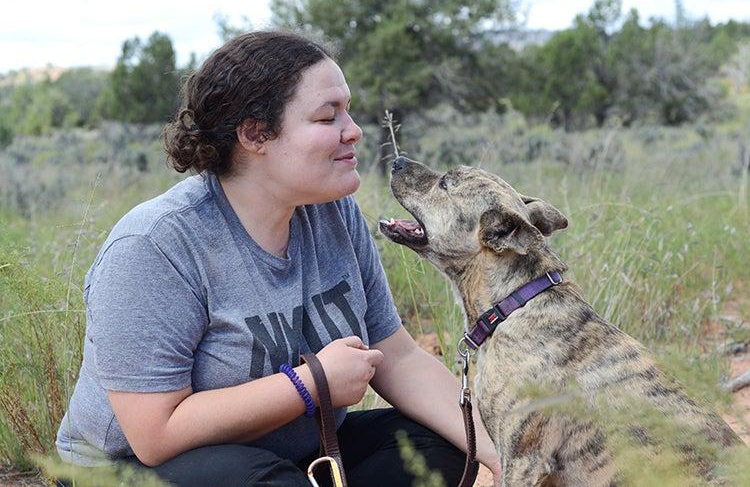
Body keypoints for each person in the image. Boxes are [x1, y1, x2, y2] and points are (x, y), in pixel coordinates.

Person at [55, 30, 501, 486]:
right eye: (329, 117)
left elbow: (399, 357)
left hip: (290, 459)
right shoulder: (154, 247)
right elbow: (155, 433)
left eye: (347, 110)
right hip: (130, 470)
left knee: (436, 445)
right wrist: (310, 385)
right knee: (256, 478)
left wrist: (506, 456)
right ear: (254, 133)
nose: (354, 130)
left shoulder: (333, 212)